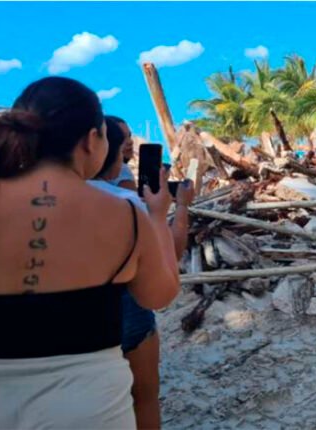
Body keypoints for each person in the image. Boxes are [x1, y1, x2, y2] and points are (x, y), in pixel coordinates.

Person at [0, 77, 180, 429]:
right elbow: (158, 295)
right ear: (92, 139)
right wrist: (157, 215)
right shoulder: (123, 212)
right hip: (90, 404)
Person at [90, 116, 194, 429]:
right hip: (127, 308)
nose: (131, 155)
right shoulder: (126, 205)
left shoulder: (53, 202)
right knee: (144, 397)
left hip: (70, 316)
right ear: (96, 146)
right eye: (125, 149)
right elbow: (166, 273)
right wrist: (175, 210)